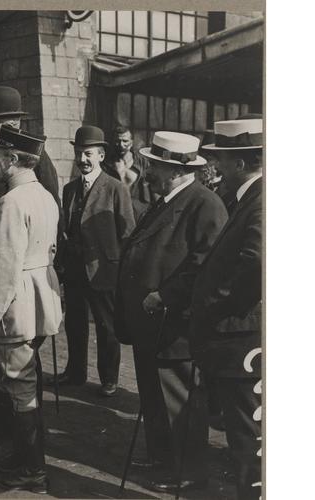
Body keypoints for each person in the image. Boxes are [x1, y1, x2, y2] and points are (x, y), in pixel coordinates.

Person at [115, 131, 228, 493]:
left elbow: (204, 265)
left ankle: (189, 471)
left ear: (177, 170)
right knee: (153, 395)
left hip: (173, 323)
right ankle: (162, 456)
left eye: (156, 166)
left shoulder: (204, 205)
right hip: (150, 323)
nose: (148, 171)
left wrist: (165, 295)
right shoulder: (166, 200)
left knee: (180, 400)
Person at [0, 86, 61, 439]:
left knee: (14, 366)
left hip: (12, 283)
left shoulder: (27, 163)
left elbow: (44, 220)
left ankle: (16, 436)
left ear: (9, 124)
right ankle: (4, 422)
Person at [0, 125, 62, 492]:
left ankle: (32, 469)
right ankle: (26, 459)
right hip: (41, 298)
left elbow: (4, 265)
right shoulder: (43, 195)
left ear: (12, 159)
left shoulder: (11, 201)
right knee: (25, 379)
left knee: (19, 384)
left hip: (18, 303)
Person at [193, 117, 263, 500]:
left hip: (244, 337)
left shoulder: (261, 200)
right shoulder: (249, 196)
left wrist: (217, 302)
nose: (215, 167)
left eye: (219, 160)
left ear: (238, 163)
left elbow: (256, 263)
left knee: (251, 438)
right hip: (242, 335)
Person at [55, 126, 135, 396]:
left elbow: (127, 234)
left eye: (88, 154)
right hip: (76, 269)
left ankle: (109, 378)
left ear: (101, 155)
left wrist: (120, 271)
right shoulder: (69, 189)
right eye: (78, 154)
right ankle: (75, 372)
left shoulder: (115, 189)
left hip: (103, 270)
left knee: (106, 326)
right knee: (74, 323)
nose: (82, 160)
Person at [102, 124, 156, 220]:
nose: (121, 145)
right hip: (114, 214)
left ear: (131, 142)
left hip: (140, 216)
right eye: (117, 141)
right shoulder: (105, 165)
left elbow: (155, 190)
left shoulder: (143, 163)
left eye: (125, 141)